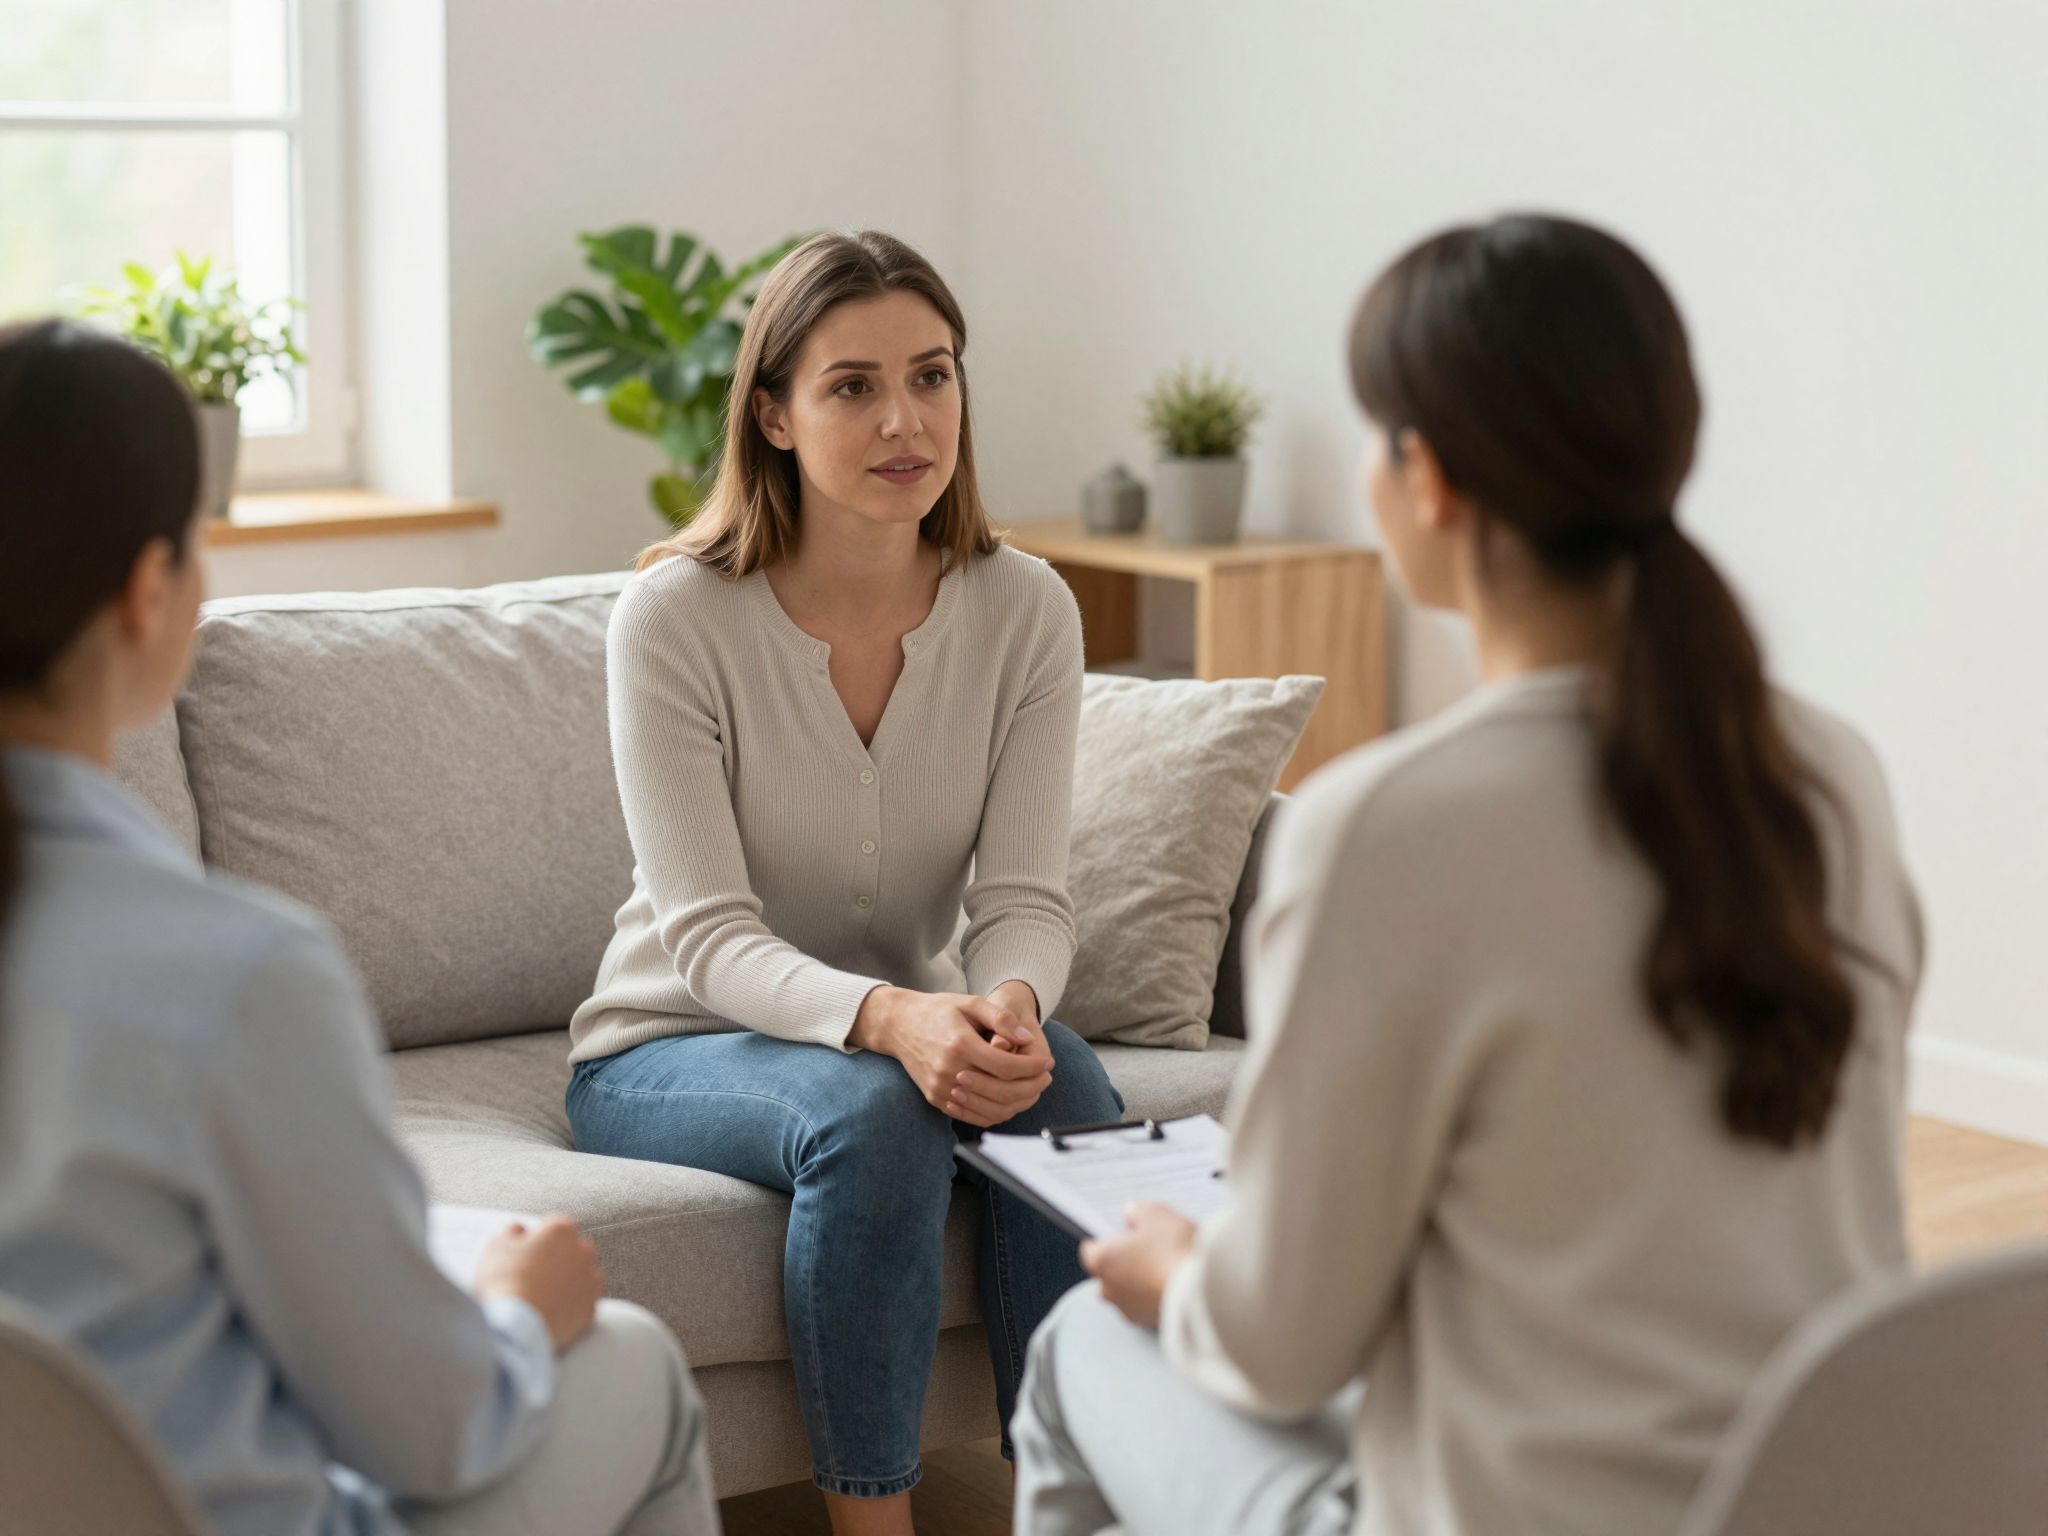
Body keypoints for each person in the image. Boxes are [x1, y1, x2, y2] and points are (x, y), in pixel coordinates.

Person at [1011, 214, 1924, 1536]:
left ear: (1424, 476)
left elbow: (1277, 1345)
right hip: (1805, 1497)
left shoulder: (1385, 828)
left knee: (1086, 1348)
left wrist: (1173, 1277)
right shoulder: (1830, 776)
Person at [0, 319, 719, 1536]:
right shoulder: (233, 978)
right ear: (146, 590)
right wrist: (510, 1312)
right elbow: (432, 1432)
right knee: (635, 1364)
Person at [563, 230, 1125, 1536]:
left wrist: (1012, 1007)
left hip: (906, 1021)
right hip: (672, 1041)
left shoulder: (1026, 608)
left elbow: (1025, 896)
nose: (904, 419)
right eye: (852, 386)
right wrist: (894, 1019)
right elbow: (706, 937)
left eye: (932, 377)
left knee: (1072, 1083)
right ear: (772, 413)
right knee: (874, 1109)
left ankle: (1077, 1505)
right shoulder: (677, 619)